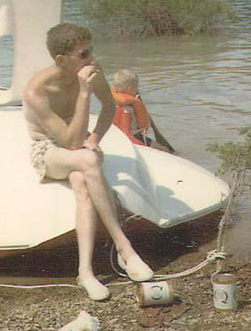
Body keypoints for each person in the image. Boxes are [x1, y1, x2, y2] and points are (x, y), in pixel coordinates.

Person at [22, 23, 154, 301]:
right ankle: (125, 248)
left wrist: (96, 137)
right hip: (47, 149)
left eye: (91, 51)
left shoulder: (91, 70)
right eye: (83, 54)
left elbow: (108, 106)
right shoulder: (37, 91)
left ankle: (85, 272)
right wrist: (83, 93)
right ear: (61, 59)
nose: (91, 59)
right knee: (87, 161)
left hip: (79, 141)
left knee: (83, 180)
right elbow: (69, 142)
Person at [111, 69, 170, 152]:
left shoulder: (113, 103)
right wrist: (143, 146)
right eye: (136, 87)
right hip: (133, 137)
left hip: (121, 135)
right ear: (130, 88)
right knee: (165, 150)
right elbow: (126, 133)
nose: (137, 89)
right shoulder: (127, 108)